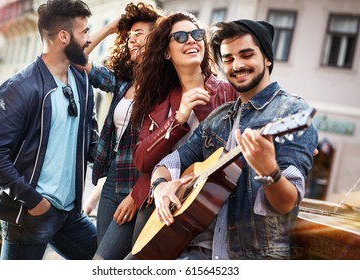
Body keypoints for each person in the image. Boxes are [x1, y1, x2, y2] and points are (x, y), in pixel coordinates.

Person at [149, 19, 318, 259]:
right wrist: (161, 187)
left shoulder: (292, 112)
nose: (236, 65)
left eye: (246, 55)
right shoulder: (219, 116)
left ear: (267, 58)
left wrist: (270, 170)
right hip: (191, 251)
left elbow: (286, 202)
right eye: (228, 59)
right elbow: (170, 162)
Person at [0, 0, 98, 260]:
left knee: (105, 258)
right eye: (85, 31)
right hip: (29, 215)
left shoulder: (82, 82)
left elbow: (91, 142)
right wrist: (35, 202)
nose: (89, 39)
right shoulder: (19, 88)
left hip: (70, 215)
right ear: (64, 36)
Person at [127, 11, 238, 256]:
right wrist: (178, 119)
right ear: (166, 52)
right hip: (163, 202)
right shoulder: (158, 101)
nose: (190, 40)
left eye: (197, 34)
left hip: (211, 207)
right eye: (180, 36)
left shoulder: (228, 93)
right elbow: (142, 160)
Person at [80, 2, 163, 260]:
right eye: (129, 36)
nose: (131, 40)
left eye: (139, 33)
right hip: (112, 179)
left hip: (139, 184)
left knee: (102, 261)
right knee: (103, 258)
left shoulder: (164, 89)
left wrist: (137, 194)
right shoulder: (121, 84)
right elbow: (76, 57)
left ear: (157, 39)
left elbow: (166, 148)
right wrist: (111, 28)